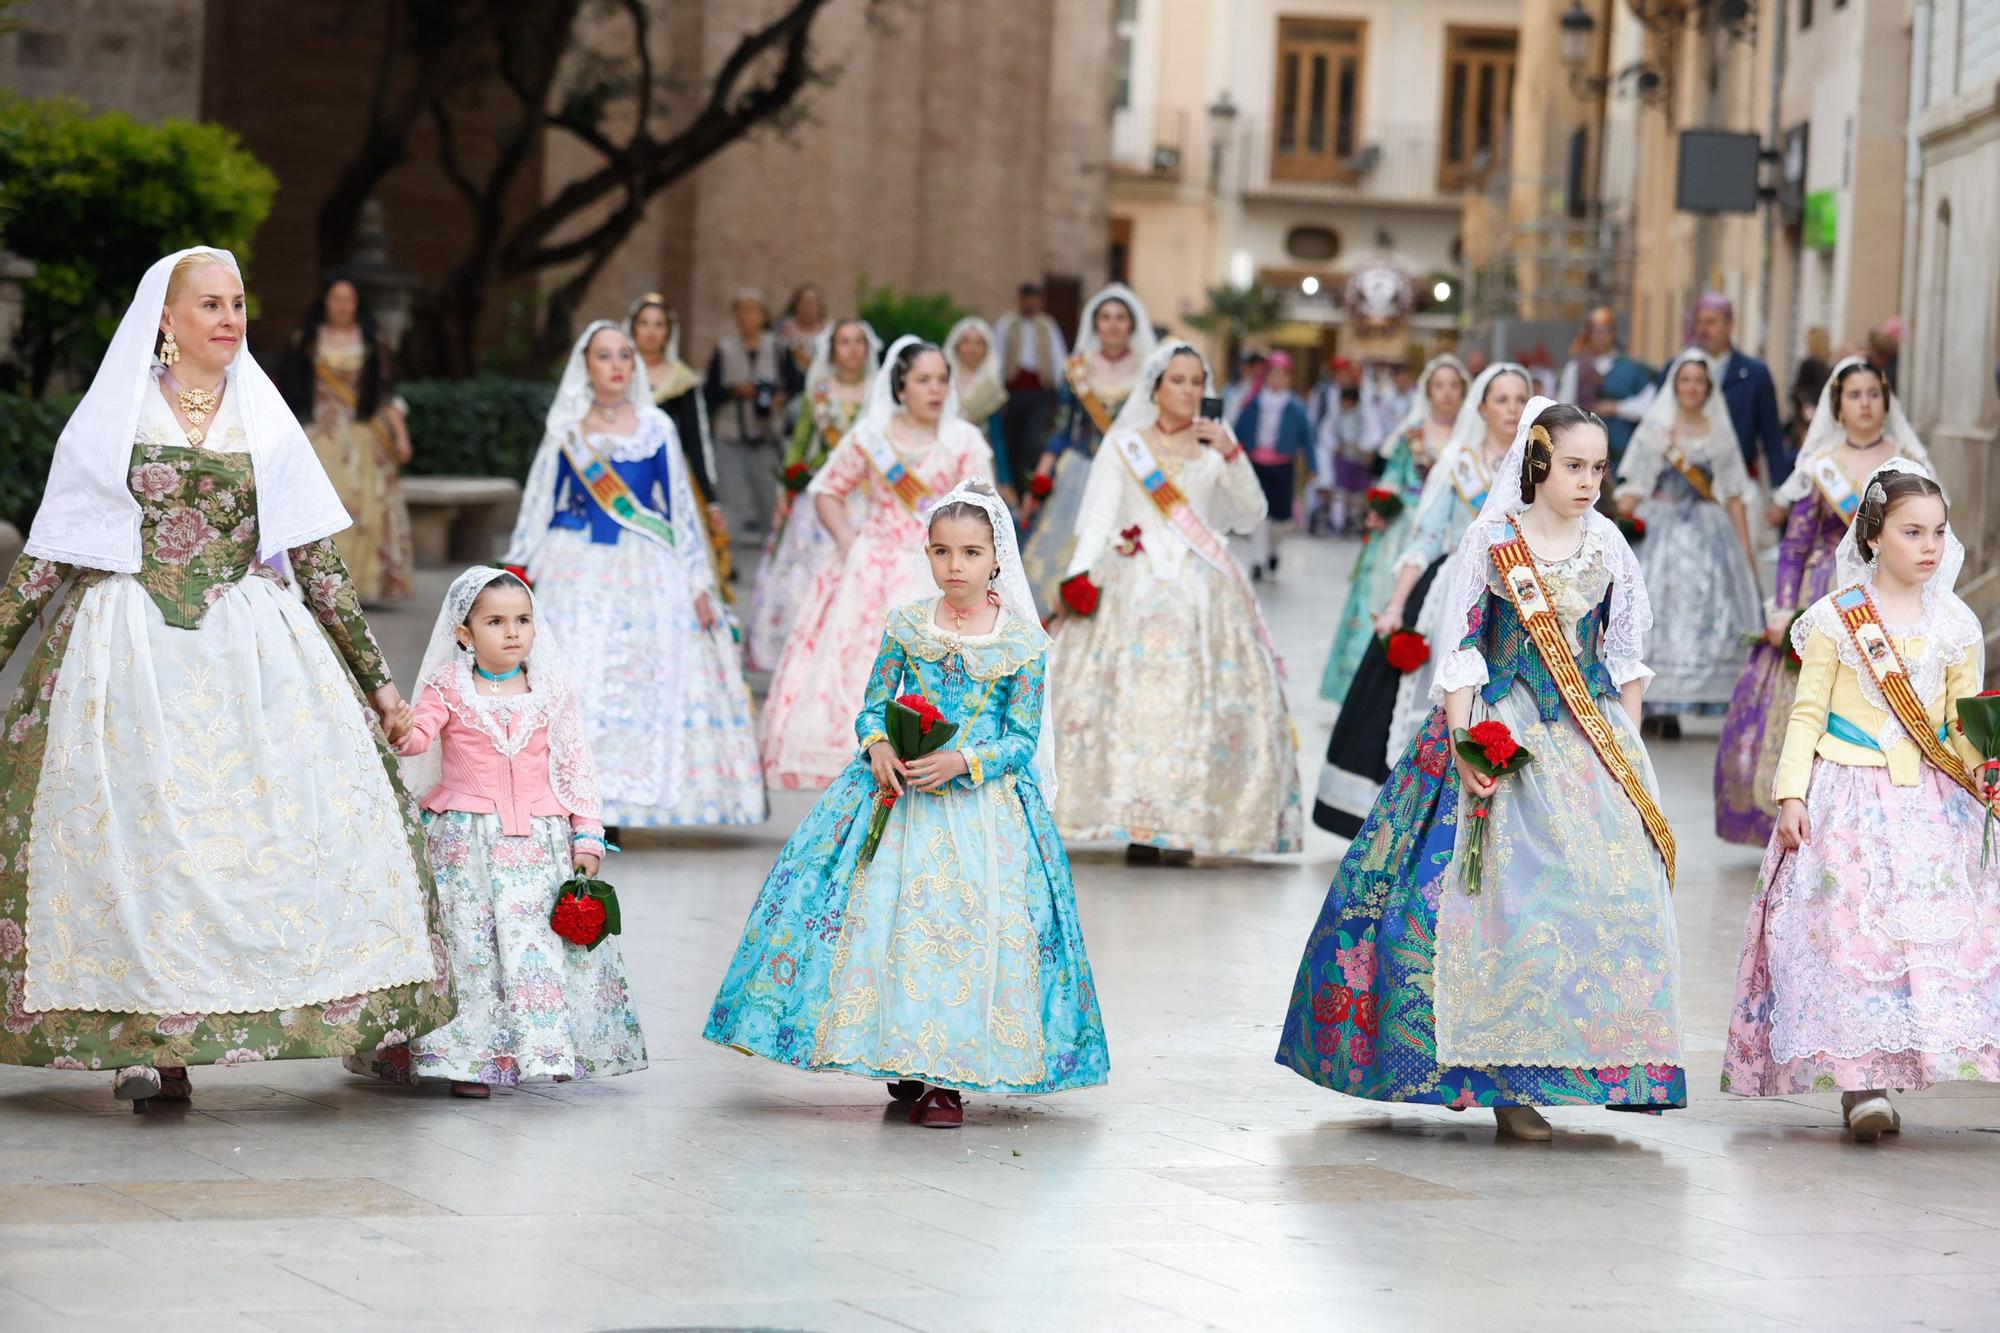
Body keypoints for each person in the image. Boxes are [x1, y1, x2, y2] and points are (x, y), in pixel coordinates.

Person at [0, 246, 451, 1107]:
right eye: (209, 305)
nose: (228, 319)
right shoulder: (113, 416)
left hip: (251, 654)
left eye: (238, 304)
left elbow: (319, 565)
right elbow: (48, 556)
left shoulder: (267, 419)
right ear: (164, 320)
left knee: (259, 838)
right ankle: (145, 1046)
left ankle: (288, 1011)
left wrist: (381, 689)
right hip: (126, 655)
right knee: (136, 845)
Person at [1277, 398, 1685, 1141]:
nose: (1589, 480)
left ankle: (1592, 1058)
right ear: (1536, 464)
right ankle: (1497, 1078)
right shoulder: (1492, 539)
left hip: (1586, 737)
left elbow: (1625, 655)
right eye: (1573, 465)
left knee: (1611, 894)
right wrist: (1466, 744)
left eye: (1599, 466)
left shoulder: (1610, 545)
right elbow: (1460, 647)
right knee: (1492, 903)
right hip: (1499, 726)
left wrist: (1627, 749)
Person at [705, 480, 1108, 1128]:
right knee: (884, 922)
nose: (956, 566)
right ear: (926, 553)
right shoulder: (907, 624)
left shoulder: (1023, 644)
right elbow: (871, 702)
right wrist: (877, 746)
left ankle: (948, 1078)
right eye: (943, 551)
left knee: (958, 930)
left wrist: (964, 760)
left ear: (996, 558)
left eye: (971, 552)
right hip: (896, 795)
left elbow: (1023, 738)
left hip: (979, 809)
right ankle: (906, 1053)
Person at [1724, 462, 2000, 1140]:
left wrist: (1985, 773)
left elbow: (1962, 722)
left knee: (1941, 936)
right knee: (1851, 939)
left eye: (1938, 531)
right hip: (1846, 799)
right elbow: (1806, 712)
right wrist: (1791, 794)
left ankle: (1937, 1049)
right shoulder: (1835, 619)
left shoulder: (1957, 625)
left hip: (1932, 805)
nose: (1930, 545)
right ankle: (1861, 1084)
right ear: (1874, 537)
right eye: (1912, 531)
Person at [349, 568, 645, 1097]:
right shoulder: (449, 686)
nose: (512, 632)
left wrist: (587, 836)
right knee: (471, 949)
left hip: (540, 842)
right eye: (495, 621)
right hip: (465, 845)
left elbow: (575, 764)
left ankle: (540, 1047)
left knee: (537, 945)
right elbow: (418, 741)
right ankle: (466, 1060)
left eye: (523, 619)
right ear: (464, 634)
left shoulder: (550, 689)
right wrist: (395, 722)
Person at [505, 321, 766, 830]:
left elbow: (680, 513)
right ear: (586, 366)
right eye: (605, 356)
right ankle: (569, 797)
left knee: (642, 675)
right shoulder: (567, 428)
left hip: (647, 571)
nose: (618, 365)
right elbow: (539, 502)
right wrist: (519, 569)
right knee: (576, 674)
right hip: (575, 565)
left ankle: (625, 802)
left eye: (625, 355)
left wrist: (698, 584)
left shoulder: (656, 427)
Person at [1049, 340, 1302, 861]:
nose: (1189, 391)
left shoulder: (1218, 445)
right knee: (1127, 700)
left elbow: (1252, 514)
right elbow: (1098, 517)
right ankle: (1138, 825)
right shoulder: (1126, 447)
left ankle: (1188, 821)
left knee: (1201, 703)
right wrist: (1079, 577)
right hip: (1132, 581)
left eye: (1197, 382)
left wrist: (1232, 455)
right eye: (1178, 381)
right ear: (1155, 387)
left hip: (1203, 589)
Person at [1714, 357, 1933, 845]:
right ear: (1838, 405)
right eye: (1854, 396)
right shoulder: (1822, 466)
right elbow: (1795, 544)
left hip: (1888, 598)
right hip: (1826, 594)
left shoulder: (1907, 462)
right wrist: (1785, 608)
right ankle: (1798, 805)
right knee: (1810, 701)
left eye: (1873, 394)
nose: (1866, 404)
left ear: (1886, 399)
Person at [760, 337, 994, 788]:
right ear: (900, 385)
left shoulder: (963, 440)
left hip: (940, 569)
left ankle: (931, 749)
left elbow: (987, 507)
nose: (936, 389)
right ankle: (856, 752)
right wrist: (850, 543)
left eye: (942, 379)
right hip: (872, 569)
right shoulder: (871, 437)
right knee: (856, 662)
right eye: (924, 379)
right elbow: (828, 490)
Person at [1313, 364, 1531, 838]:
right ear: (1482, 407)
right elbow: (1428, 537)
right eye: (1502, 399)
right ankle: (1419, 813)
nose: (1512, 409)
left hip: (1520, 600)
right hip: (1455, 594)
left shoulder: (1539, 466)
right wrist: (1395, 606)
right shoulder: (1460, 462)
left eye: (1520, 399)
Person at [1614, 349, 1762, 726]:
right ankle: (1653, 704)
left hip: (1707, 530)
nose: (1692, 388)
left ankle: (1696, 699)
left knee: (1707, 608)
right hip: (1660, 526)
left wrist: (1745, 551)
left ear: (1708, 387)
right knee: (1655, 609)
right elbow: (1636, 483)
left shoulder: (1720, 433)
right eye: (1685, 380)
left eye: (1699, 381)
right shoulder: (1657, 429)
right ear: (1675, 385)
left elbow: (1732, 492)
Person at [1317, 354, 1468, 704]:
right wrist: (1384, 500)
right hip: (1406, 527)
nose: (1446, 394)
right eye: (1439, 386)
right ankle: (1369, 688)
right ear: (1428, 391)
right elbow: (1393, 476)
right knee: (1383, 597)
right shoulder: (1411, 433)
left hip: (1453, 529)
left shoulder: (1471, 437)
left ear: (1464, 392)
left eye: (1454, 386)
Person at [744, 317, 881, 671]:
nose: (852, 349)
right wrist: (789, 480)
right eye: (844, 341)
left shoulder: (880, 391)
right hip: (824, 495)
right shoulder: (818, 390)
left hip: (865, 495)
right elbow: (801, 440)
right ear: (832, 350)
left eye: (858, 341)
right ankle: (807, 645)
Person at [280, 275, 415, 603]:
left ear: (357, 304)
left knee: (367, 508)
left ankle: (362, 585)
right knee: (322, 505)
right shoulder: (308, 340)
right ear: (325, 301)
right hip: (320, 434)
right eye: (335, 298)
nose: (341, 306)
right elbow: (289, 388)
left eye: (348, 299)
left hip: (362, 432)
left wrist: (401, 435)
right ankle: (320, 584)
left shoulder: (371, 342)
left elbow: (384, 394)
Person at [1021, 283, 1155, 612]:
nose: (1112, 324)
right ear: (1095, 324)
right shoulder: (1077, 368)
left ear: (1132, 324)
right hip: (1080, 470)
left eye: (1120, 318)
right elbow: (1062, 426)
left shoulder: (1149, 370)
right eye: (1105, 317)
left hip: (1130, 473)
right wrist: (1041, 478)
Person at [628, 294, 733, 593]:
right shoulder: (618, 373)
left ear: (669, 332)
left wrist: (710, 499)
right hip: (623, 476)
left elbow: (695, 441)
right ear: (633, 327)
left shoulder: (681, 380)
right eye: (644, 323)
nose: (650, 331)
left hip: (669, 478)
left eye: (658, 324)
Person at [704, 288, 792, 540]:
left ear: (763, 315)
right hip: (731, 437)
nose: (745, 317)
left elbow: (796, 385)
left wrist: (778, 398)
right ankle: (727, 564)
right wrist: (735, 391)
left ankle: (773, 563)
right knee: (731, 501)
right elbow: (709, 393)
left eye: (751, 310)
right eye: (740, 311)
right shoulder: (725, 349)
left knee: (771, 502)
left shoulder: (778, 349)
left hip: (767, 438)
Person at [1690, 293, 1789, 485]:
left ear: (1730, 325)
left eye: (1711, 322)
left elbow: (1772, 438)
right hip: (1686, 483)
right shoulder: (1678, 370)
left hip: (1738, 483)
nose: (1703, 329)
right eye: (1699, 322)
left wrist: (1780, 492)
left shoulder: (1754, 374)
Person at [1233, 350, 1313, 578]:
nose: (1277, 379)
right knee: (1259, 513)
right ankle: (1258, 560)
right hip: (1257, 465)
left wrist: (1313, 468)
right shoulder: (1253, 403)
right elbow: (1237, 433)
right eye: (1273, 374)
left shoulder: (1295, 407)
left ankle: (1273, 550)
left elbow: (1307, 439)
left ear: (1289, 378)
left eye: (1282, 375)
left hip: (1283, 466)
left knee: (1282, 519)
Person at [993, 282, 1069, 488]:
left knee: (1033, 439)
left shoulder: (1047, 325)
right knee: (1012, 439)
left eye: (1036, 299)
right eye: (1028, 299)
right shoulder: (1006, 324)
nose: (1032, 303)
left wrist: (1063, 387)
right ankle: (1014, 485)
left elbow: (1058, 358)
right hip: (1013, 392)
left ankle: (1029, 483)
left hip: (1039, 393)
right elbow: (997, 358)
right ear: (1021, 300)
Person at [1556, 306, 1656, 460]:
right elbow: (1563, 409)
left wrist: (1616, 408)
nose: (1601, 336)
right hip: (1584, 446)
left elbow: (1649, 406)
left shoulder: (1631, 368)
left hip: (1623, 451)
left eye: (1605, 331)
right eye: (1596, 331)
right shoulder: (1576, 367)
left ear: (1613, 333)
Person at [945, 315, 1013, 504]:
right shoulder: (942, 380)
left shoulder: (991, 388)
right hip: (944, 454)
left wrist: (1005, 481)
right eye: (966, 341)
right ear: (957, 346)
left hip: (977, 457)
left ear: (986, 349)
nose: (972, 348)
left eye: (978, 343)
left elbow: (997, 437)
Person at [776, 281, 828, 382]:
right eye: (804, 303)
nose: (808, 308)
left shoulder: (829, 331)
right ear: (796, 305)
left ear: (820, 306)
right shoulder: (784, 330)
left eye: (813, 303)